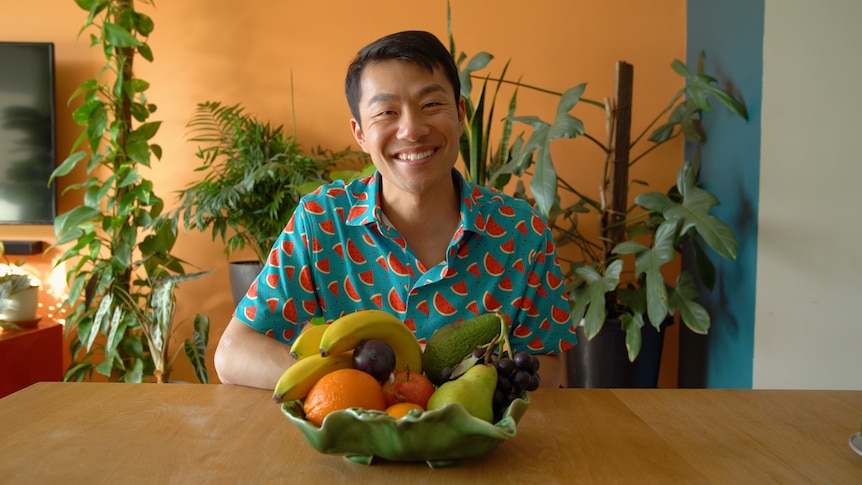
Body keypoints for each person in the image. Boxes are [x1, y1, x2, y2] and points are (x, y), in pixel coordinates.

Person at [214, 30, 576, 389]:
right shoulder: (322, 221)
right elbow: (234, 354)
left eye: (431, 105)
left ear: (461, 113)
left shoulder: (522, 231)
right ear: (359, 133)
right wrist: (360, 387)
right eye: (386, 112)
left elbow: (548, 365)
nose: (412, 130)